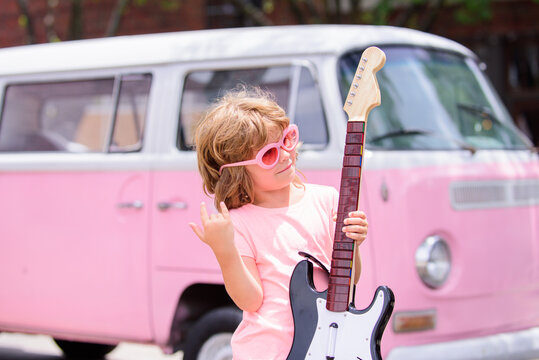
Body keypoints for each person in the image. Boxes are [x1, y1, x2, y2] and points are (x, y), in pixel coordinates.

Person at [189, 87, 368, 360]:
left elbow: (349, 279)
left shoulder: (328, 199)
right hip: (267, 352)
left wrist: (352, 244)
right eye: (269, 154)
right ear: (238, 170)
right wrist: (224, 252)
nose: (285, 154)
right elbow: (250, 300)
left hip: (328, 348)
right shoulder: (239, 223)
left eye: (287, 139)